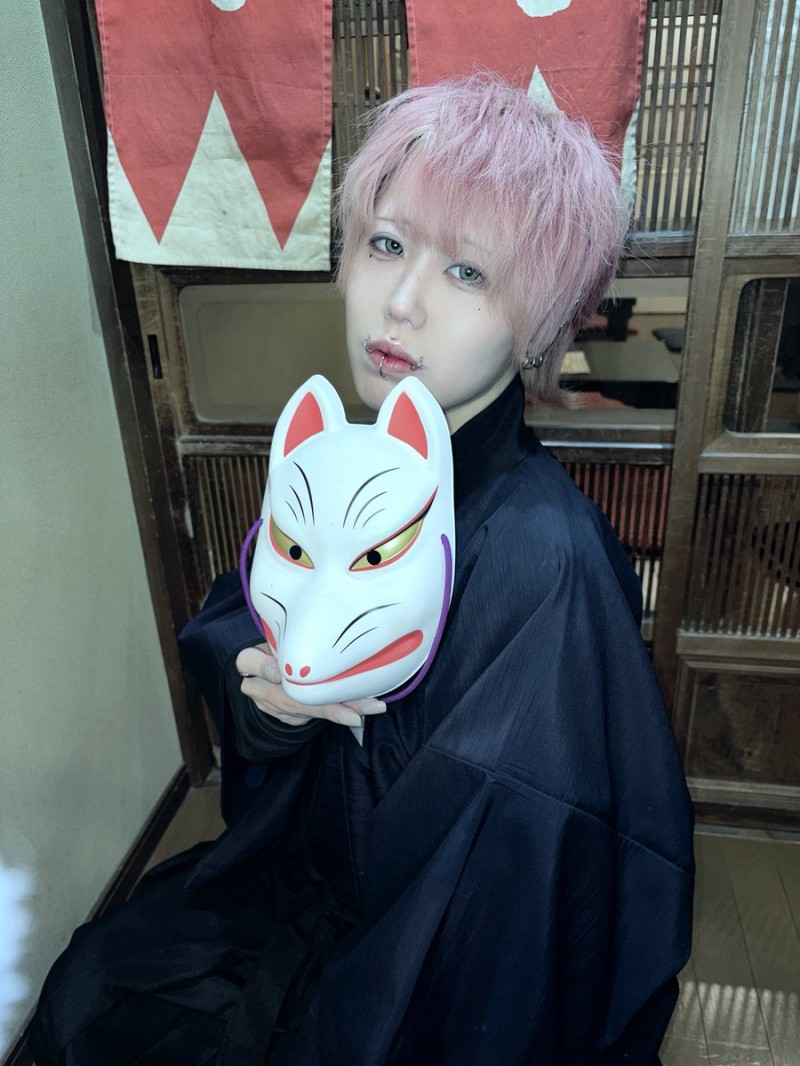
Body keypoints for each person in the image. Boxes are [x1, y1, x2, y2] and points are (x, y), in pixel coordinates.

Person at [29, 74, 694, 1065]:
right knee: (88, 989)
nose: (402, 302)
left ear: (540, 321)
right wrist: (269, 704)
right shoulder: (349, 459)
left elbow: (509, 884)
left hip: (435, 955)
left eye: (466, 271)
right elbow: (240, 622)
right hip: (306, 884)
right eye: (385, 245)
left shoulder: (540, 559)